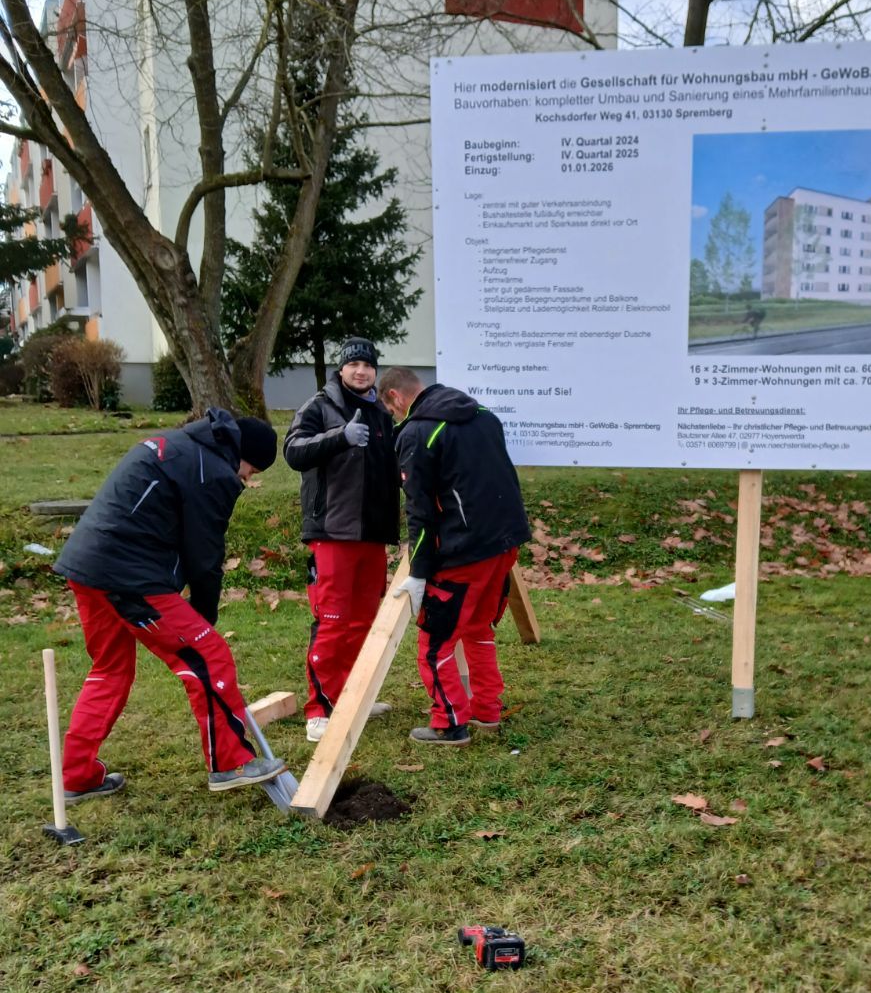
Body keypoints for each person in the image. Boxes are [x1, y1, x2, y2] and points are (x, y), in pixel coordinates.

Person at [52, 409, 287, 797]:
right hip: (129, 575)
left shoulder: (180, 445)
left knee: (110, 669)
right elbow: (205, 556)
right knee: (208, 656)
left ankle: (77, 776)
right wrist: (204, 618)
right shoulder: (212, 472)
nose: (247, 479)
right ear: (242, 455)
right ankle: (229, 764)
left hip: (89, 566)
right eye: (252, 471)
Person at [381, 367, 530, 745]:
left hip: (463, 551)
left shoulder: (417, 433)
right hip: (503, 544)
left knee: (434, 642)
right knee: (478, 630)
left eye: (393, 411)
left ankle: (448, 723)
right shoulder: (483, 415)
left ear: (395, 397)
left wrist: (418, 571)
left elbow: (420, 511)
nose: (397, 418)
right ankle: (487, 710)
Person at [283, 337, 400, 741]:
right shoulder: (319, 406)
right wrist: (340, 438)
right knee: (331, 620)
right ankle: (321, 708)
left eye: (368, 365)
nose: (361, 371)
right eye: (354, 365)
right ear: (342, 369)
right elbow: (294, 450)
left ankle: (353, 697)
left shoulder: (383, 412)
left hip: (372, 536)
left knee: (364, 622)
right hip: (332, 530)